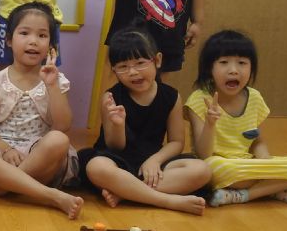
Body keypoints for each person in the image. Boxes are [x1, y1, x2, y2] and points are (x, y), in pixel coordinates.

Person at [0, 3, 84, 219]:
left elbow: (63, 126)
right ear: (9, 40)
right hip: (4, 153)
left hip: (40, 157)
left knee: (59, 140)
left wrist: (52, 86)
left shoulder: (56, 80)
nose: (33, 41)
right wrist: (6, 149)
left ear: (51, 45)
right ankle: (50, 196)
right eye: (24, 33)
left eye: (42, 35)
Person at [79, 25, 210, 215]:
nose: (133, 72)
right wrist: (117, 124)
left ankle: (126, 192)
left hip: (152, 164)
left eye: (140, 63)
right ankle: (166, 200)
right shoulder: (111, 97)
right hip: (117, 161)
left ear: (157, 60)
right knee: (96, 167)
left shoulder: (171, 96)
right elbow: (114, 146)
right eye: (123, 67)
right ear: (114, 70)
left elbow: (176, 142)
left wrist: (155, 160)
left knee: (201, 170)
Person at [185, 30, 287, 207]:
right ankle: (273, 189)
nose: (233, 70)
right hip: (220, 165)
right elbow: (203, 154)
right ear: (210, 68)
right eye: (224, 63)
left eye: (242, 63)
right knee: (220, 168)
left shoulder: (254, 97)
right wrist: (210, 123)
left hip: (247, 165)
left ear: (251, 68)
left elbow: (256, 140)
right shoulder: (199, 99)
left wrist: (265, 161)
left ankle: (242, 195)